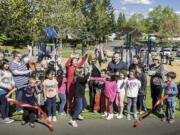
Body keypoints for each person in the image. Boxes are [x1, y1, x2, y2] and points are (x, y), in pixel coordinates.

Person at [9, 46, 33, 112]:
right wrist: (28, 71)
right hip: (18, 84)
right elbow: (16, 73)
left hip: (26, 83)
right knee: (19, 97)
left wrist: (30, 50)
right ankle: (18, 109)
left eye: (20, 56)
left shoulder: (21, 61)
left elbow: (29, 59)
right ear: (15, 56)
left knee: (24, 96)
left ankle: (23, 106)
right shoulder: (12, 64)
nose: (20, 57)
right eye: (19, 56)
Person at [0, 59, 15, 123]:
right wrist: (6, 87)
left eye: (8, 64)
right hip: (2, 90)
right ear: (2, 64)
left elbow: (12, 79)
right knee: (4, 104)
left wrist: (13, 84)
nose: (7, 65)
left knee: (7, 104)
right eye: (6, 64)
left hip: (9, 91)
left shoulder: (9, 72)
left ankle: (6, 116)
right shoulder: (0, 72)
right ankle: (5, 117)